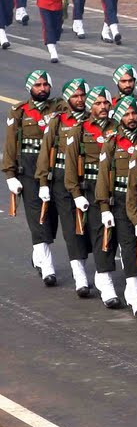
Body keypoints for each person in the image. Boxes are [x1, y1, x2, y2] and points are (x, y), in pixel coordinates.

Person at [4, 70, 60, 284]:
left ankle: (38, 255)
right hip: (28, 167)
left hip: (54, 167)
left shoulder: (58, 107)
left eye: (45, 84)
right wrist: (10, 174)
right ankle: (48, 267)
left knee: (52, 218)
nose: (42, 88)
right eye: (37, 85)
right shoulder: (19, 111)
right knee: (38, 218)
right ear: (30, 88)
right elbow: (10, 144)